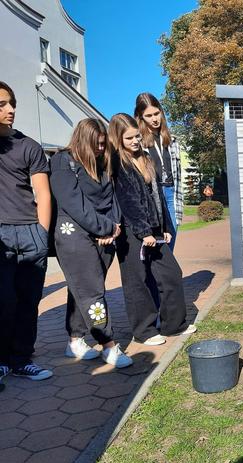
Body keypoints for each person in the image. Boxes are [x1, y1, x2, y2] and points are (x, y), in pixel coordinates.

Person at [50, 118, 132, 368]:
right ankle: (108, 344)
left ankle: (75, 340)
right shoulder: (62, 162)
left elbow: (112, 198)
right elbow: (73, 203)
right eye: (95, 144)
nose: (99, 149)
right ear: (82, 140)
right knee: (92, 291)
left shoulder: (103, 163)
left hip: (105, 234)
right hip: (73, 233)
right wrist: (105, 227)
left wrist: (114, 227)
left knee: (82, 289)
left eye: (102, 144)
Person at [109, 113, 196, 346]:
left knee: (172, 273)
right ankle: (144, 331)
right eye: (129, 138)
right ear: (118, 139)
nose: (136, 141)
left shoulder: (146, 158)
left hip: (154, 229)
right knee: (137, 281)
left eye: (137, 136)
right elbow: (128, 201)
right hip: (131, 232)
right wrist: (143, 231)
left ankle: (173, 325)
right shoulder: (117, 162)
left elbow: (156, 196)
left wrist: (165, 226)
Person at [0, 81, 53, 381]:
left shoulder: (29, 146)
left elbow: (43, 193)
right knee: (4, 300)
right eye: (2, 105)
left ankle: (21, 359)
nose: (11, 110)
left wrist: (41, 235)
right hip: (0, 236)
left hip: (29, 232)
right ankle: (2, 358)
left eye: (11, 103)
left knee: (28, 300)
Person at [134, 93, 183, 250]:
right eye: (148, 115)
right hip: (153, 194)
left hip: (171, 193)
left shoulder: (172, 141)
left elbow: (178, 177)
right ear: (140, 117)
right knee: (157, 244)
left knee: (171, 239)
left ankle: (168, 275)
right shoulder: (138, 142)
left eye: (156, 113)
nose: (154, 119)